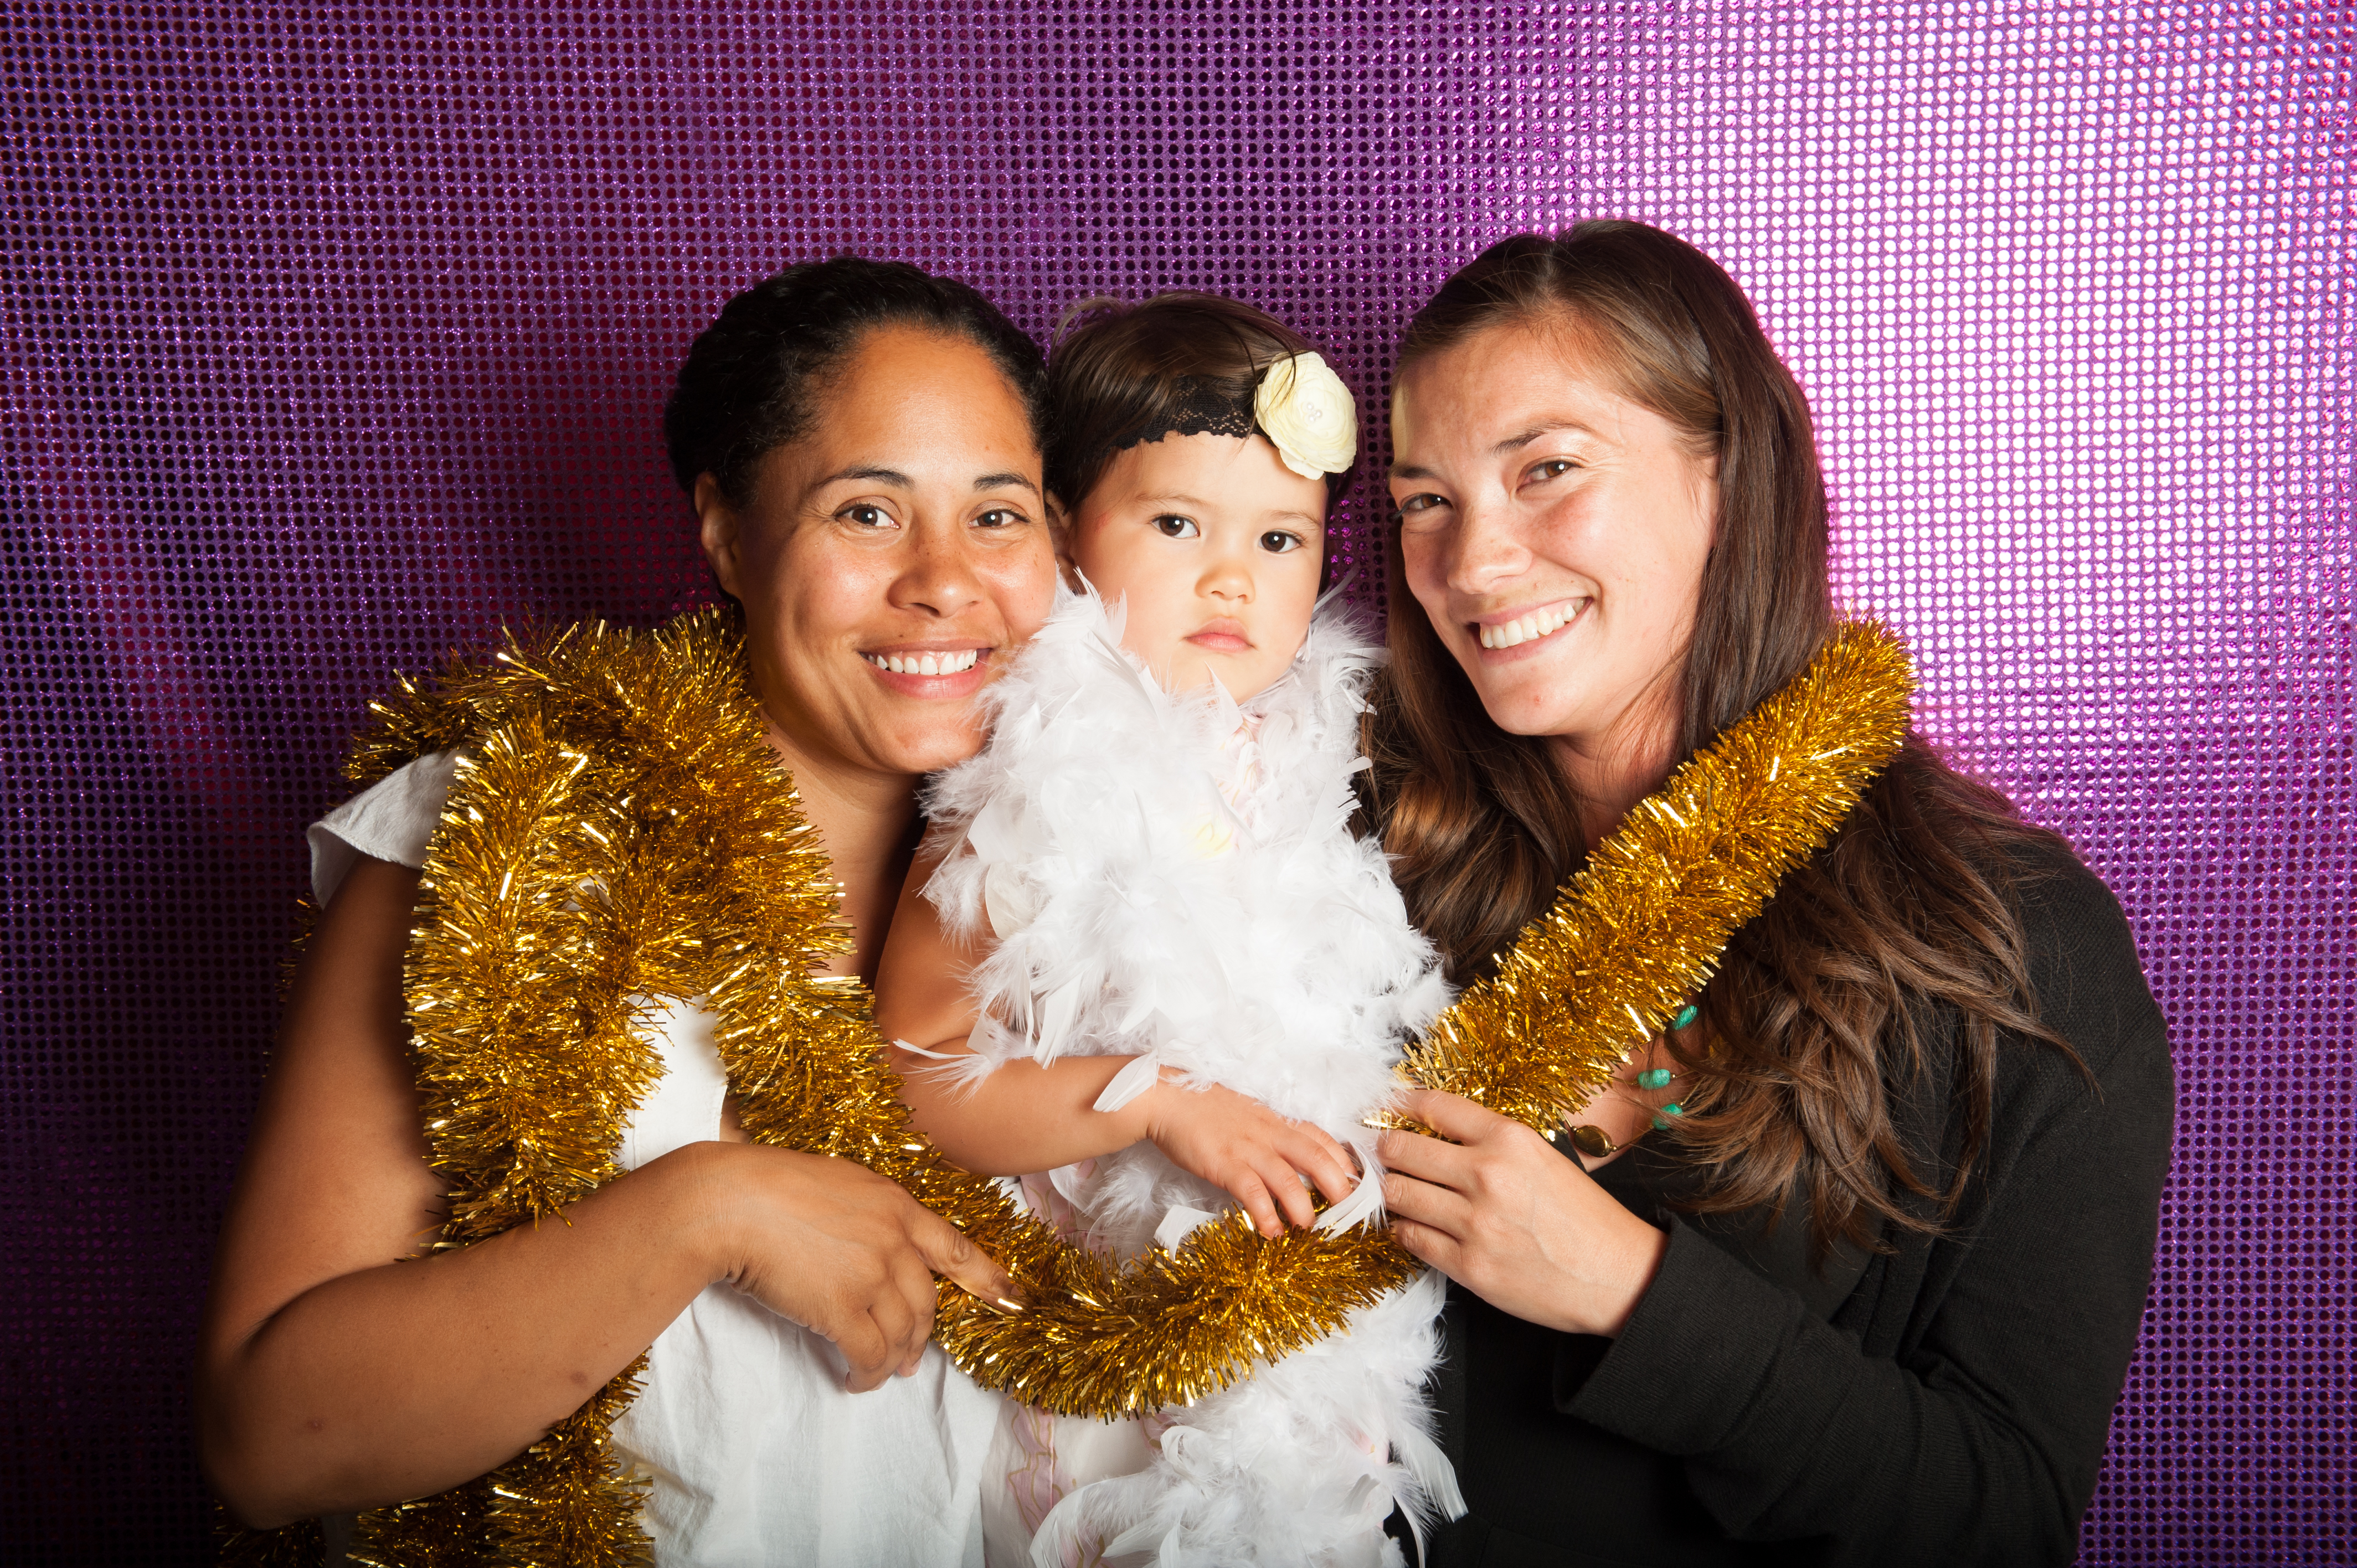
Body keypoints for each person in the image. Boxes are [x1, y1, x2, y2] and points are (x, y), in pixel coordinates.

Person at [198, 257, 1058, 1564]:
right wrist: (700, 1213)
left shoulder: (1106, 882)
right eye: (866, 513)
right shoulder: (510, 836)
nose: (945, 581)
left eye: (999, 515)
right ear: (724, 530)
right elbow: (266, 1438)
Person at [1364, 223, 2173, 1567]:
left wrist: (1631, 1295)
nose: (1472, 563)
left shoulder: (2009, 943)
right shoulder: (1351, 868)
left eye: (1547, 470)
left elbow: (2004, 1521)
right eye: (1422, 502)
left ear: (1732, 478)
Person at [877, 293, 1458, 1566]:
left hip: (1305, 1358)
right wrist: (1153, 1102)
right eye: (1177, 522)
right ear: (1068, 540)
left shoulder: (1333, 750)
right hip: (1114, 1372)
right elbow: (912, 1068)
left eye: (1280, 539)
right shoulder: (1024, 779)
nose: (1231, 576)